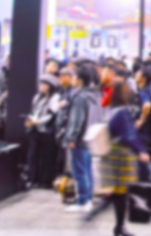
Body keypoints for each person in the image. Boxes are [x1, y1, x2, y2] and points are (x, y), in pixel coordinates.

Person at [96, 79, 150, 236]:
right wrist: (141, 150)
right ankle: (119, 227)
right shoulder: (123, 113)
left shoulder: (110, 110)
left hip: (109, 154)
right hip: (121, 156)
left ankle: (118, 225)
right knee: (121, 193)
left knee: (116, 191)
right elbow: (129, 136)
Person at [61, 64, 100, 213]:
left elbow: (76, 120)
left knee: (79, 171)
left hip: (80, 139)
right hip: (90, 137)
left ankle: (83, 201)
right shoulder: (95, 95)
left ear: (80, 79)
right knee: (87, 169)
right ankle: (88, 199)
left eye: (75, 76)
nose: (72, 79)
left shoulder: (80, 97)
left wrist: (72, 137)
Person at [25, 75, 62, 188]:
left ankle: (46, 181)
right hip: (34, 129)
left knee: (47, 156)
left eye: (44, 84)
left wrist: (39, 121)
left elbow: (52, 114)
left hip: (47, 130)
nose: (41, 86)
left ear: (50, 86)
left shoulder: (55, 97)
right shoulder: (37, 97)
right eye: (40, 84)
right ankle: (33, 179)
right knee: (33, 155)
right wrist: (29, 120)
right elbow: (33, 111)